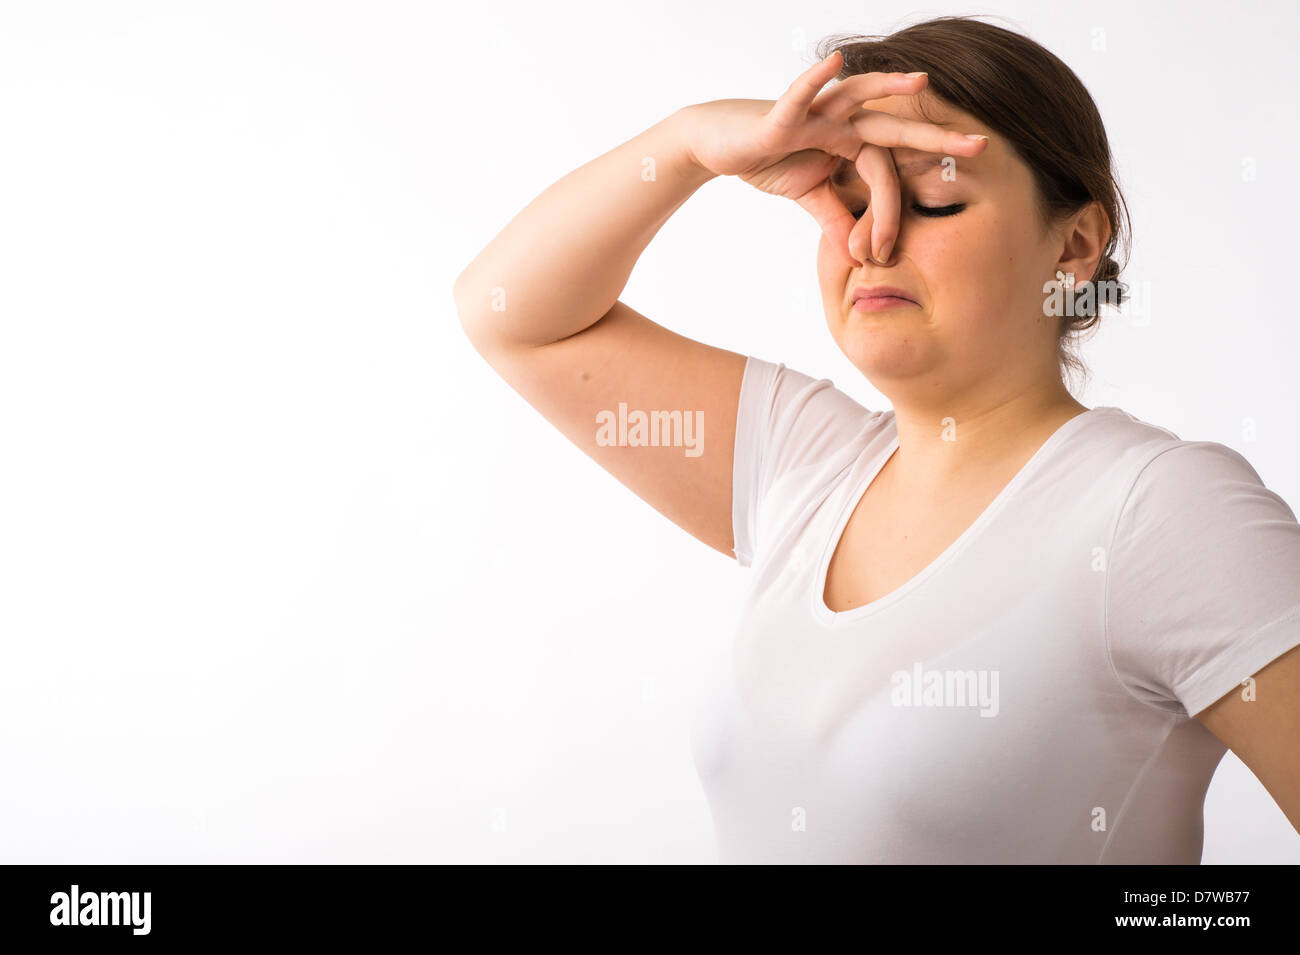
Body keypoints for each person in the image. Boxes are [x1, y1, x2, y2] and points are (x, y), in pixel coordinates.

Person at [452, 15, 1300, 863]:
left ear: (1074, 245)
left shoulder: (1161, 512)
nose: (871, 237)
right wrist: (688, 144)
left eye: (930, 200)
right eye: (847, 201)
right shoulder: (803, 459)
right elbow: (510, 315)